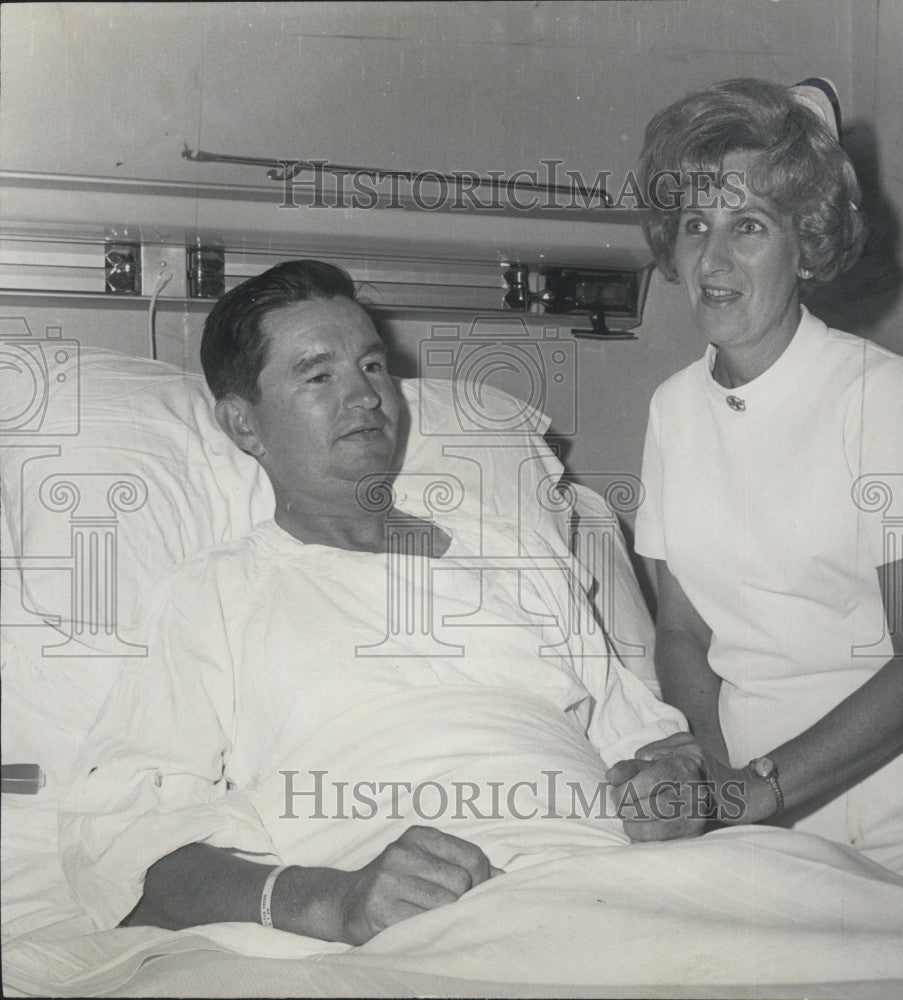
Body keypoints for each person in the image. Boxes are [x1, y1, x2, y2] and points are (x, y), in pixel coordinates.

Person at [60, 259, 704, 947]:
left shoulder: (519, 552)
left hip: (614, 887)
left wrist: (671, 781)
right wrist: (330, 902)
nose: (365, 395)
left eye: (371, 366)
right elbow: (121, 842)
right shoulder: (215, 594)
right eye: (317, 374)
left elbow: (640, 735)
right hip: (406, 926)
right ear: (243, 426)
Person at [632, 78, 903, 892]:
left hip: (898, 812)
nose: (711, 259)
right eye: (695, 225)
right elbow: (681, 634)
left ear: (806, 245)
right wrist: (712, 774)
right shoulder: (672, 410)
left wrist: (760, 787)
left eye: (747, 226)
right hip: (746, 815)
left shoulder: (878, 393)